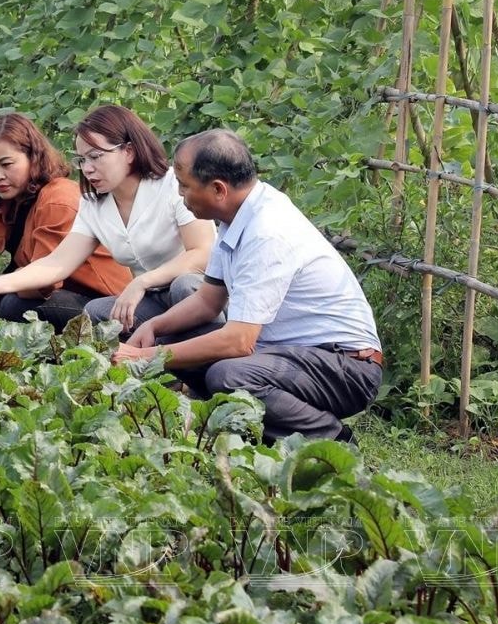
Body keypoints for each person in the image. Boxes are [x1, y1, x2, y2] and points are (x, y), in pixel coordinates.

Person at [112, 129, 383, 443]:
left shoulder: (266, 232)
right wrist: (155, 327)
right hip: (289, 354)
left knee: (228, 375)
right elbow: (207, 302)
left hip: (345, 366)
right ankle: (232, 424)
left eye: (184, 186)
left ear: (218, 189)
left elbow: (239, 343)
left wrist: (144, 357)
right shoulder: (237, 216)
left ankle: (331, 439)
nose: (180, 196)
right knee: (174, 339)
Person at [0, 105, 214, 340]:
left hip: (202, 291)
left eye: (96, 157)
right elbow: (56, 263)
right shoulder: (94, 203)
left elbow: (202, 254)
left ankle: (204, 353)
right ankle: (163, 352)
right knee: (96, 312)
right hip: (151, 298)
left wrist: (141, 282)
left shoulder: (171, 185)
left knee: (184, 284)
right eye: (82, 159)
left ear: (129, 151)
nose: (87, 168)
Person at [0, 113, 131, 326]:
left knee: (12, 304)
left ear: (33, 159)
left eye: (6, 164)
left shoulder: (58, 199)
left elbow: (44, 282)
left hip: (103, 299)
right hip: (52, 288)